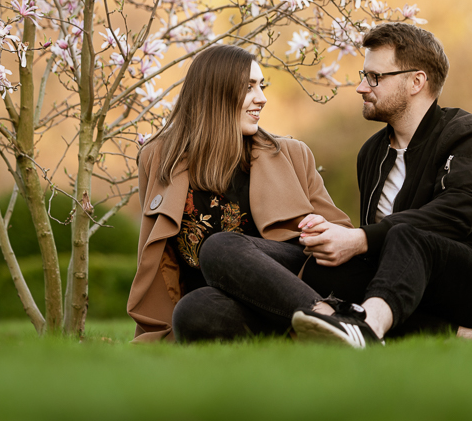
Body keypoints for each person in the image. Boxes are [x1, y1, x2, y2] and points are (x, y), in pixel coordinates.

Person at [199, 23, 472, 348]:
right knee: (217, 268)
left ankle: (364, 330)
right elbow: (377, 257)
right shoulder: (372, 154)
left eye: (375, 77)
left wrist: (359, 239)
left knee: (407, 234)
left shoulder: (466, 134)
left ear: (416, 82)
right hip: (409, 289)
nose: (362, 87)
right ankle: (438, 332)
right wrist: (327, 237)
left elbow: (456, 214)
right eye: (365, 76)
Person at [126, 44, 352, 343]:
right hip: (229, 303)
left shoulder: (294, 154)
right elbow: (157, 255)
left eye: (261, 86)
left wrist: (323, 233)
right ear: (215, 93)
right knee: (192, 311)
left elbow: (342, 240)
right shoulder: (156, 158)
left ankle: (329, 320)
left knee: (221, 248)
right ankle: (298, 336)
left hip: (296, 287)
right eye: (249, 87)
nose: (262, 98)